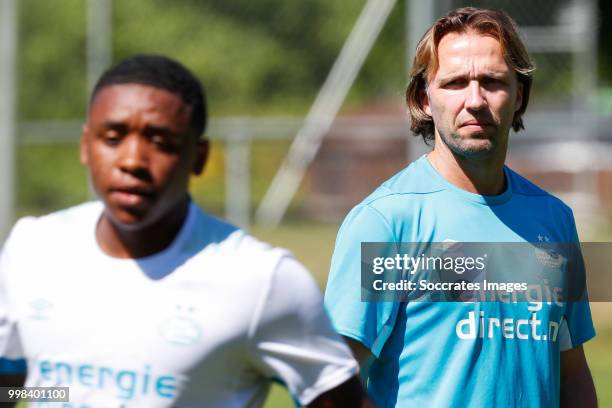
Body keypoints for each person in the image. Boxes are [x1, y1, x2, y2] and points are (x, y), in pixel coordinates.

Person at [0, 55, 370, 407]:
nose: (132, 161)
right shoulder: (33, 247)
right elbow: (11, 388)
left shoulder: (262, 280)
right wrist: (60, 393)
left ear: (199, 156)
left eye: (161, 142)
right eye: (113, 137)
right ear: (85, 145)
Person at [324, 7, 597, 407]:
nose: (475, 100)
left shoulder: (554, 219)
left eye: (492, 81)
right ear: (425, 98)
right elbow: (331, 384)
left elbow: (572, 371)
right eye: (455, 83)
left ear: (519, 94)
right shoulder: (386, 222)